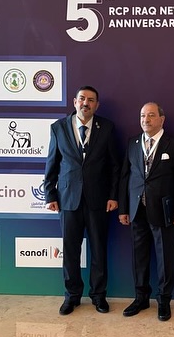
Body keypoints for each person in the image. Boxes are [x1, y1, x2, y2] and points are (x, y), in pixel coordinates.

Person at [44, 85, 120, 315]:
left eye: (91, 100)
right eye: (82, 99)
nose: (86, 103)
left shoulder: (107, 127)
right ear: (75, 102)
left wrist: (113, 196)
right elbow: (52, 163)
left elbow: (114, 166)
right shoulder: (58, 127)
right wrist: (50, 194)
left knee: (98, 250)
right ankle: (72, 296)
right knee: (70, 251)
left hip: (99, 200)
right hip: (68, 199)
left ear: (97, 105)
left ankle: (99, 296)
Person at [118, 102, 174, 321]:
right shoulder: (132, 143)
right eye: (142, 115)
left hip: (164, 211)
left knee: (165, 258)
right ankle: (141, 298)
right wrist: (123, 208)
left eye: (151, 115)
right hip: (137, 210)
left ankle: (164, 300)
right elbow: (125, 178)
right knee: (139, 257)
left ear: (162, 119)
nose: (146, 120)